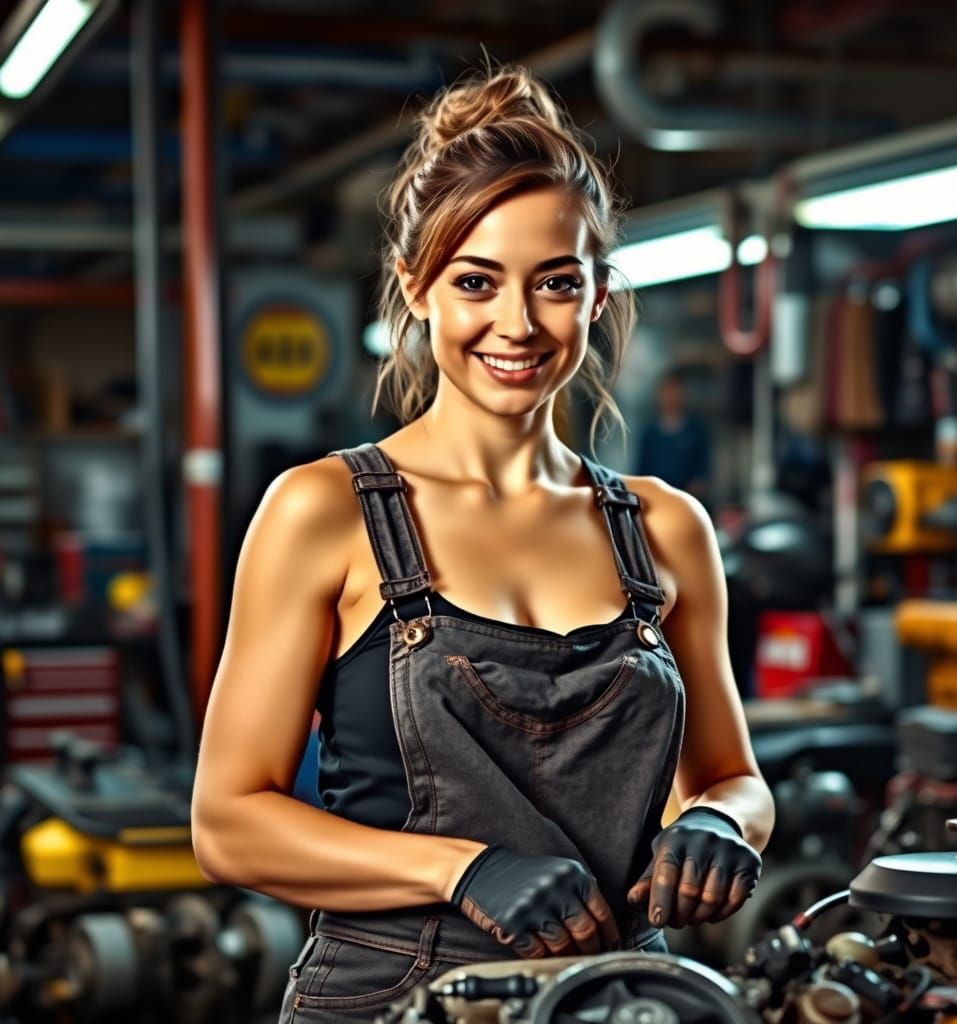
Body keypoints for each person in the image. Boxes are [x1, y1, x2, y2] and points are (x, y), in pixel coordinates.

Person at [190, 65, 773, 1024]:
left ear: (594, 297)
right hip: (393, 992)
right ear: (418, 291)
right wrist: (462, 869)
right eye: (475, 282)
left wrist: (719, 821)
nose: (517, 323)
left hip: (624, 995)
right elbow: (228, 824)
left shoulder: (666, 527)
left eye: (555, 283)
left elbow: (734, 777)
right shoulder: (325, 509)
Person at [636, 367, 712, 501]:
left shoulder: (696, 431)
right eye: (667, 391)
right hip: (656, 498)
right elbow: (641, 470)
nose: (671, 396)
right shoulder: (650, 433)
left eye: (675, 390)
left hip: (687, 498)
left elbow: (702, 470)